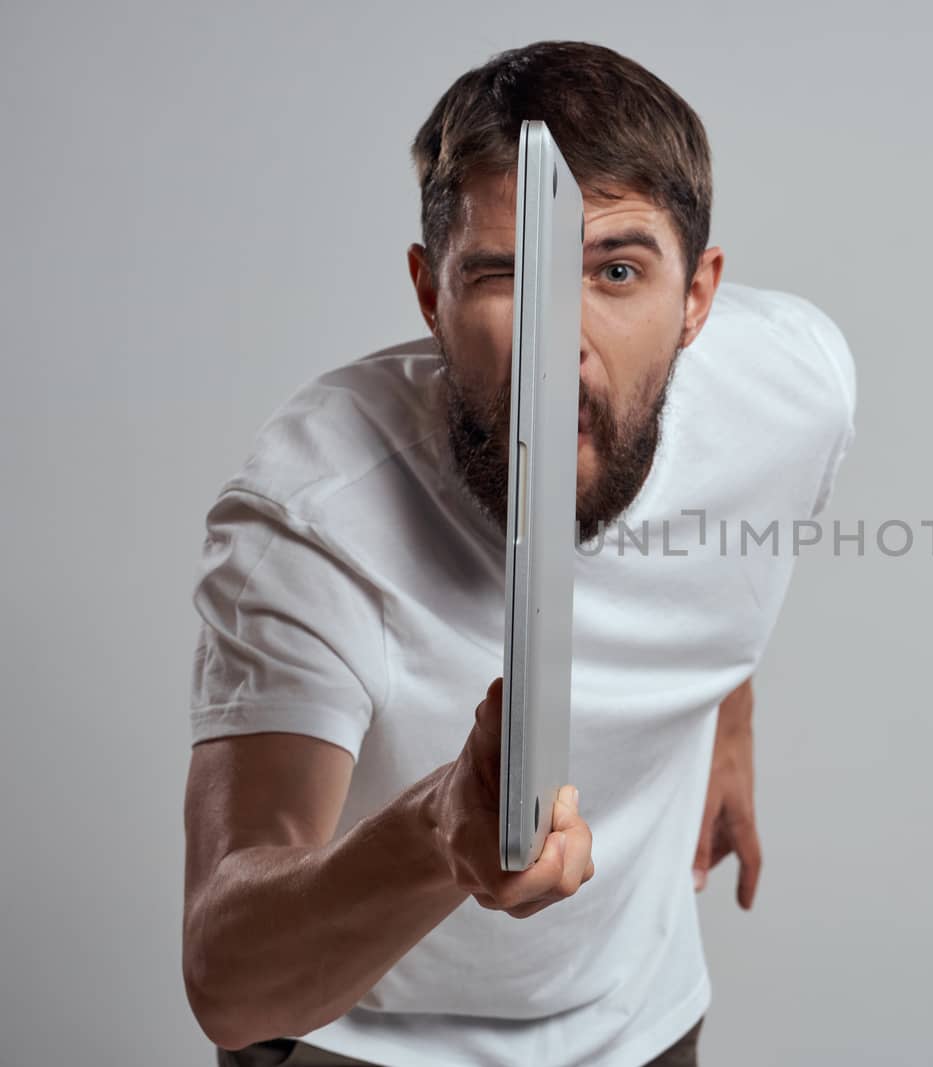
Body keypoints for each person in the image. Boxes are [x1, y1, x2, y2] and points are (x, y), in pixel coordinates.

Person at [181, 40, 857, 1067]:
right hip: (361, 1040)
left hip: (641, 1022)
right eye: (505, 275)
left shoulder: (793, 389)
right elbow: (229, 979)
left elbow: (737, 543)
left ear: (699, 299)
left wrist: (729, 719)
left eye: (617, 270)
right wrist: (435, 834)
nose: (561, 339)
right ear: (428, 292)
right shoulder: (311, 515)